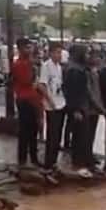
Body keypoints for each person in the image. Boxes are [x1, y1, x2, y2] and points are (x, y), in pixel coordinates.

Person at [63, 45, 94, 178]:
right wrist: (76, 109)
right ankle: (80, 164)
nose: (88, 56)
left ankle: (81, 163)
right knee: (80, 136)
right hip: (79, 107)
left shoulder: (76, 68)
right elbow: (73, 91)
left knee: (81, 136)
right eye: (86, 54)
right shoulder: (74, 70)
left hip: (81, 107)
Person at [37, 42, 66, 170]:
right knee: (52, 134)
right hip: (51, 105)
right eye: (57, 52)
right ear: (51, 53)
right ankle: (48, 163)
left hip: (61, 103)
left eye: (60, 52)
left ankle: (54, 161)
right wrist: (50, 100)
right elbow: (42, 85)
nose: (59, 55)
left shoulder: (59, 67)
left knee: (58, 134)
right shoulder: (46, 66)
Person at [12, 38, 41, 167]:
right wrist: (32, 67)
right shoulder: (20, 64)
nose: (29, 50)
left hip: (32, 98)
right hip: (24, 99)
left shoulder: (29, 62)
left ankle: (34, 157)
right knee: (25, 130)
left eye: (30, 47)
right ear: (20, 49)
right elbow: (27, 80)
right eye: (26, 48)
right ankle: (23, 158)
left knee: (34, 129)